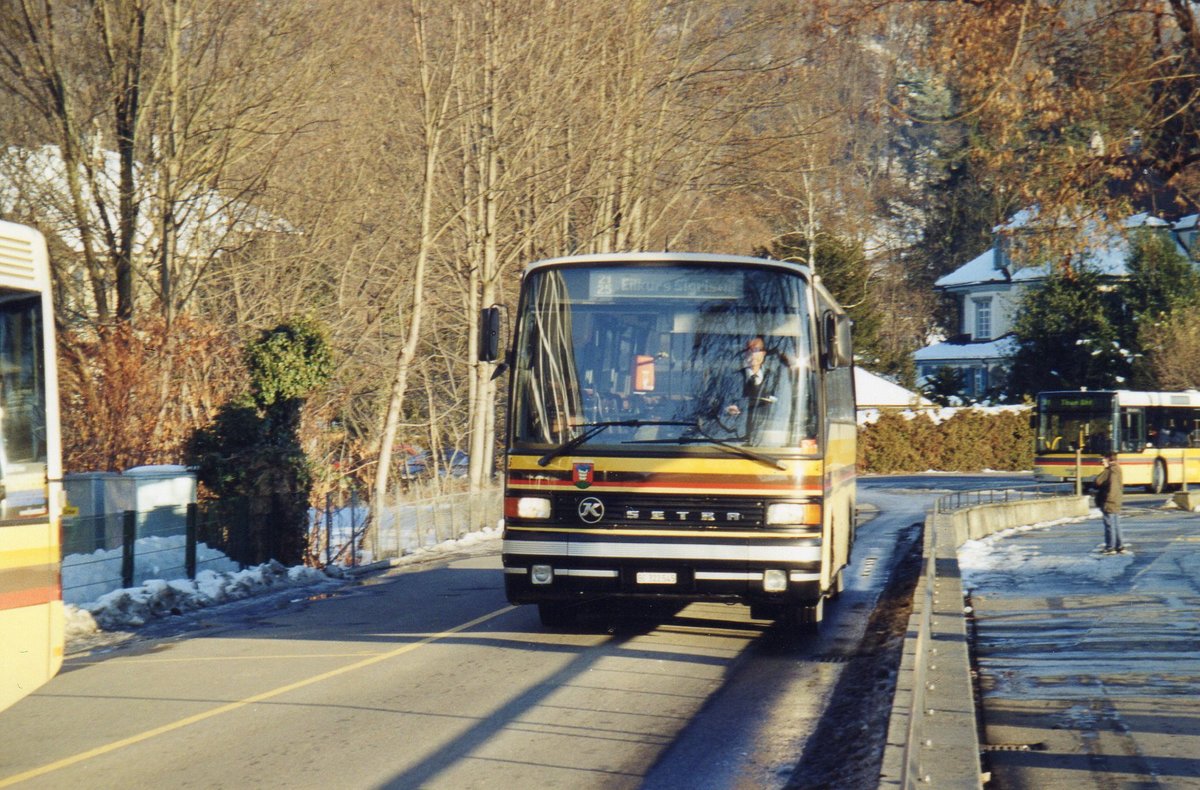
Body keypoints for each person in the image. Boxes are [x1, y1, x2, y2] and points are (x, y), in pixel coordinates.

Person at [1092, 451, 1125, 554]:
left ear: (1109, 459)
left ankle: (1110, 547)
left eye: (1104, 459)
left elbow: (1098, 481)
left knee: (1109, 525)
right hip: (1116, 500)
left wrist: (1107, 500)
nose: (1102, 461)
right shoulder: (1118, 469)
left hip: (1109, 501)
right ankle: (1119, 545)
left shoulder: (1110, 471)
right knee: (1116, 524)